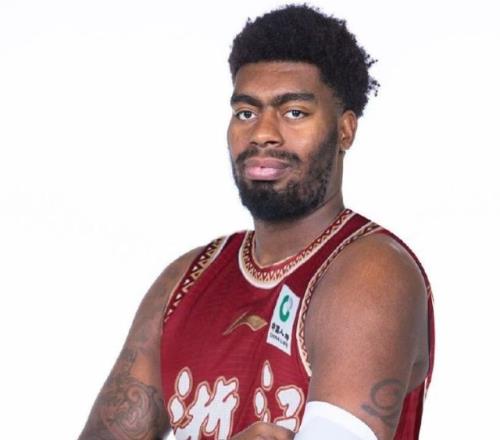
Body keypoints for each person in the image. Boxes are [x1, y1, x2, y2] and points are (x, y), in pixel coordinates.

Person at [79, 4, 434, 440]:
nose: (263, 133)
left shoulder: (372, 273)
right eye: (246, 112)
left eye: (294, 112)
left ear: (345, 130)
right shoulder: (186, 280)